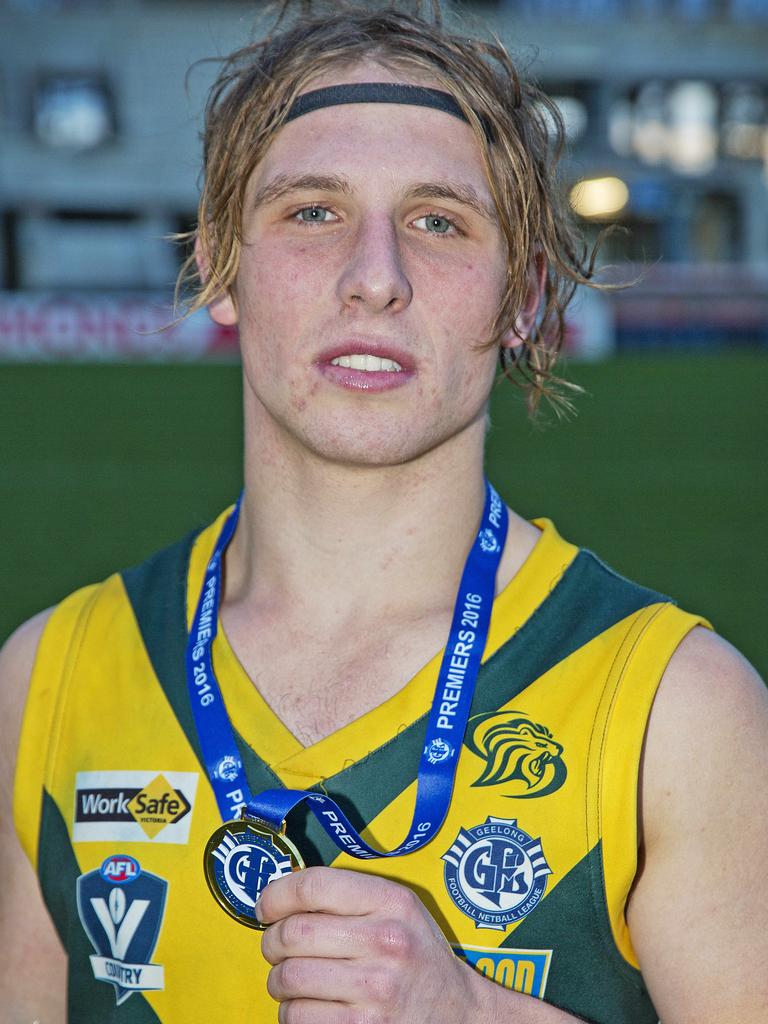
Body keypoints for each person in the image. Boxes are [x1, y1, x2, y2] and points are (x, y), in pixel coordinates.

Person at [1, 3, 766, 1023]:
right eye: (312, 212)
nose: (375, 279)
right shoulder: (44, 683)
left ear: (523, 294)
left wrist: (477, 1014)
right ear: (221, 264)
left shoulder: (681, 710)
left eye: (438, 222)